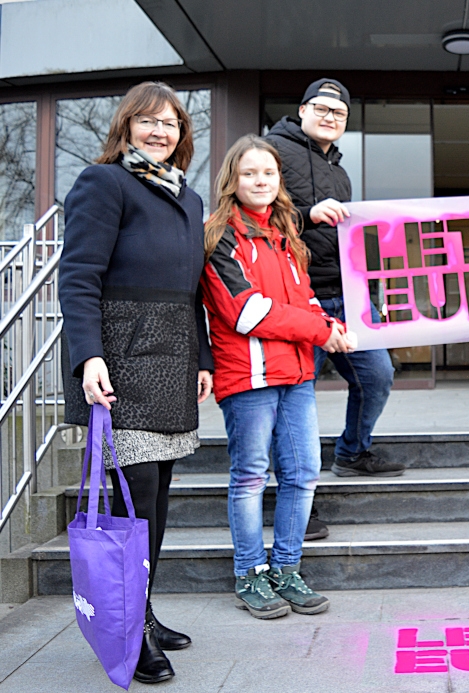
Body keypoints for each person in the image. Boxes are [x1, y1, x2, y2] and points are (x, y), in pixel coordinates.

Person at [59, 81, 212, 684]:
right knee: (135, 502)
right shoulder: (105, 184)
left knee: (156, 500)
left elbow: (192, 291)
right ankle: (131, 627)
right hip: (120, 364)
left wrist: (201, 356)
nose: (159, 131)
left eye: (170, 124)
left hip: (172, 363)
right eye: (147, 121)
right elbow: (78, 276)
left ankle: (141, 613)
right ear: (126, 127)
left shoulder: (189, 198)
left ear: (183, 136)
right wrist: (87, 357)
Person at [201, 134, 351, 619]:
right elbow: (246, 312)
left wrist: (329, 325)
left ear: (279, 179)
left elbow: (303, 299)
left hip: (296, 374)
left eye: (268, 172)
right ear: (232, 179)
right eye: (249, 173)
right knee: (249, 477)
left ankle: (286, 570)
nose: (260, 181)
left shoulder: (287, 235)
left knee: (304, 474)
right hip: (248, 377)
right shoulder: (220, 233)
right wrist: (318, 329)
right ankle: (250, 574)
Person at [266, 78, 401, 542]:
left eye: (339, 114)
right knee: (295, 403)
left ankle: (352, 452)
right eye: (321, 109)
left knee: (377, 375)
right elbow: (259, 213)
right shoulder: (271, 151)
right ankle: (297, 499)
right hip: (298, 299)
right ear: (301, 110)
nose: (330, 118)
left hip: (346, 298)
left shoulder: (340, 172)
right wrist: (307, 214)